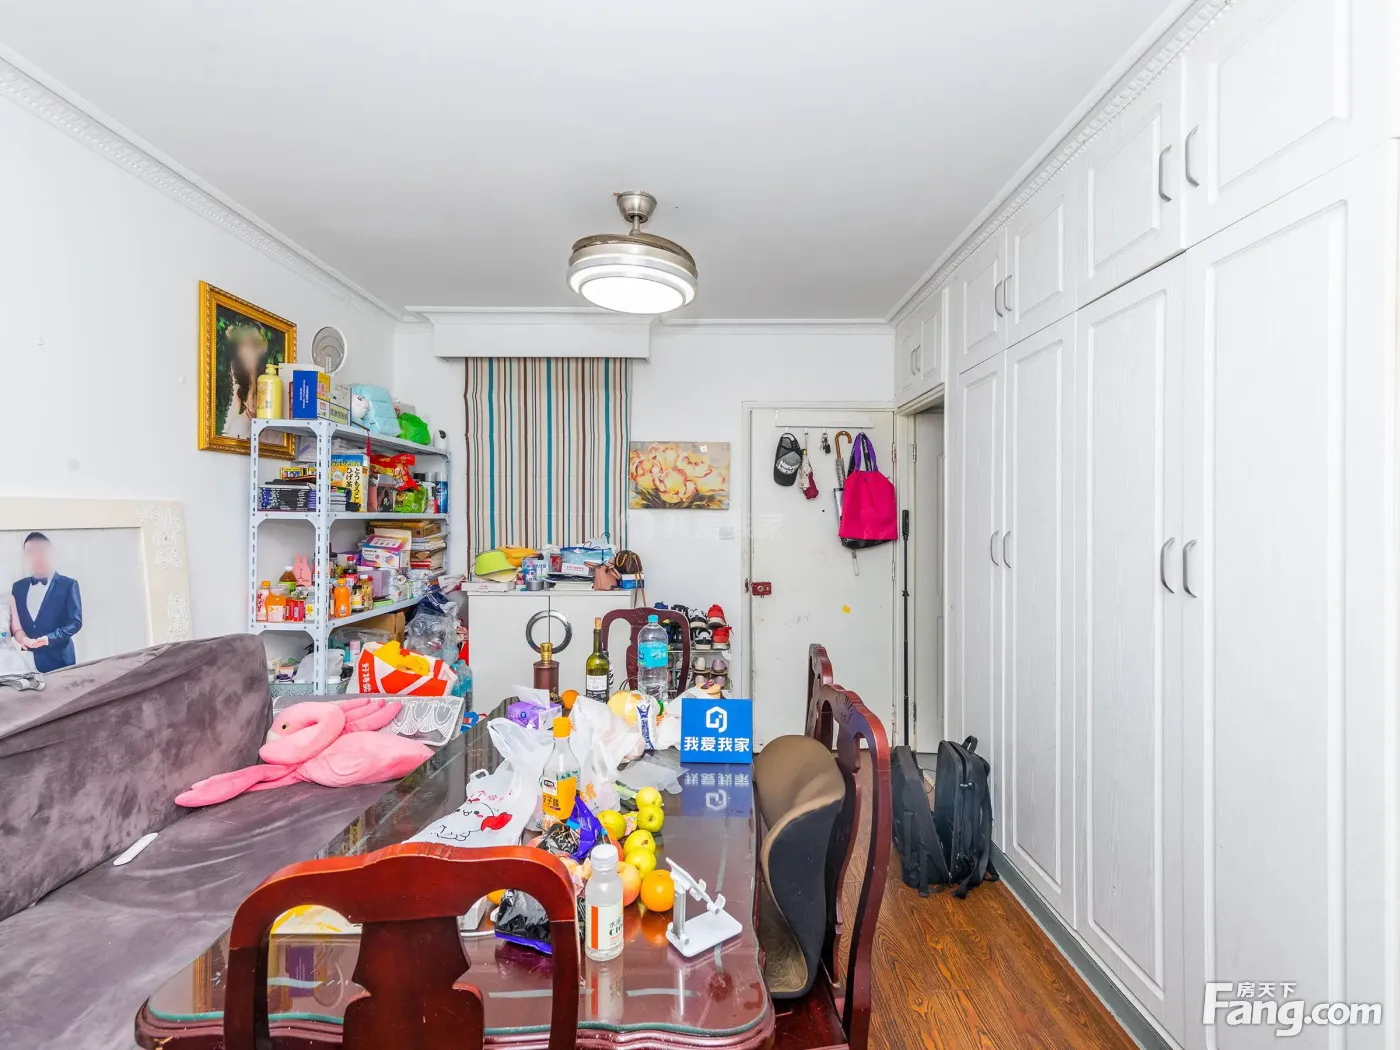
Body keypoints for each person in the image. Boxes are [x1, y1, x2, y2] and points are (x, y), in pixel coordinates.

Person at [10, 532, 82, 673]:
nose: (36, 557)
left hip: (60, 662)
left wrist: (49, 638)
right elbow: (13, 625)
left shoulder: (68, 584)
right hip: (26, 663)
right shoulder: (18, 587)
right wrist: (22, 639)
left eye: (41, 551)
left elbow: (75, 622)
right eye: (31, 552)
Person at [219, 322, 270, 440]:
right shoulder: (235, 374)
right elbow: (232, 410)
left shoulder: (268, 380)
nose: (248, 351)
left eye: (253, 344)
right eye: (244, 344)